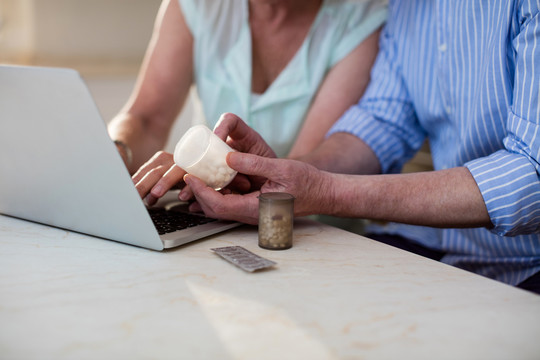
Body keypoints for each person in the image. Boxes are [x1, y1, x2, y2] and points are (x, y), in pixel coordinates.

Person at [182, 0, 540, 294]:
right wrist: (285, 174)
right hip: (447, 247)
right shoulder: (408, 7)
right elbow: (383, 122)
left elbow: (531, 176)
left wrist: (326, 191)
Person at [107, 0, 387, 206]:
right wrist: (117, 151)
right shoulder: (196, 6)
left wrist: (206, 170)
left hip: (312, 228)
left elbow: (304, 171)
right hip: (208, 210)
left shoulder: (363, 18)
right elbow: (146, 117)